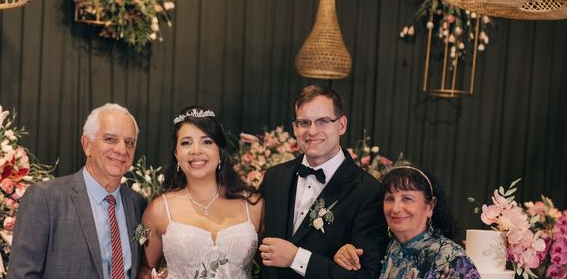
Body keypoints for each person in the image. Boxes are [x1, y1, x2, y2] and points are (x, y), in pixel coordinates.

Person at [258, 85, 388, 278]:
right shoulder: (274, 177)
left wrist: (296, 257)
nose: (312, 131)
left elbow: (365, 275)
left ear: (341, 125)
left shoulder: (368, 192)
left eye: (322, 121)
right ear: (295, 127)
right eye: (303, 122)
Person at [7, 104, 146, 279]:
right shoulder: (45, 199)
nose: (121, 150)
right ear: (87, 145)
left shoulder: (137, 204)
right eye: (110, 139)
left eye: (129, 142)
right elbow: (21, 275)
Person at [140, 107, 263, 278]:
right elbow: (145, 268)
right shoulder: (158, 210)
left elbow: (271, 267)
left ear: (219, 151)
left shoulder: (253, 205)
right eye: (186, 142)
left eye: (206, 142)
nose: (196, 150)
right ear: (176, 154)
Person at [334, 165, 480, 278]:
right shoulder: (384, 246)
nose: (396, 209)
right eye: (390, 199)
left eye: (407, 199)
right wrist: (345, 255)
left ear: (430, 206)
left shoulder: (452, 259)